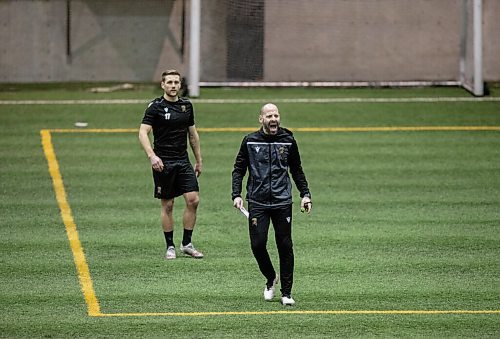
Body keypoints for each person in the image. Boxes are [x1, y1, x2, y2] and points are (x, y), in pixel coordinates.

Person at [231, 103, 312, 306]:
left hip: (282, 200)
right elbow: (238, 169)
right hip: (257, 201)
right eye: (269, 116)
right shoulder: (249, 141)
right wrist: (236, 194)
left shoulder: (288, 140)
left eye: (276, 115)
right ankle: (270, 278)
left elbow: (297, 169)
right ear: (261, 119)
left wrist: (305, 194)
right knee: (257, 245)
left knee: (285, 245)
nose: (273, 119)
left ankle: (286, 293)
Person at [139, 69, 204, 260]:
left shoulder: (187, 106)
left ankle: (187, 244)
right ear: (163, 85)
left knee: (193, 200)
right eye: (170, 82)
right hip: (163, 162)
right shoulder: (155, 107)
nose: (173, 86)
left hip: (183, 160)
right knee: (168, 205)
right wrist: (152, 156)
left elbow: (192, 134)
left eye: (176, 82)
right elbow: (143, 133)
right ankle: (170, 246)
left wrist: (198, 160)